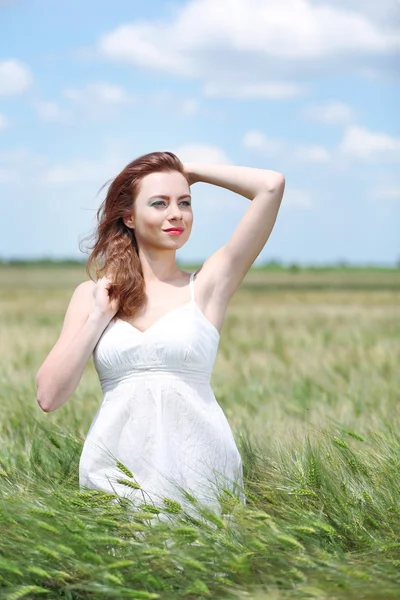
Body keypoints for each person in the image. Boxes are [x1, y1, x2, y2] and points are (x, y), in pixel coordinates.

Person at [36, 151, 285, 520]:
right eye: (160, 203)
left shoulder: (207, 287)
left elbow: (271, 185)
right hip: (114, 478)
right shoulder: (91, 296)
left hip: (201, 475)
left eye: (184, 202)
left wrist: (191, 171)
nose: (176, 214)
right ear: (129, 217)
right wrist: (98, 318)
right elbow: (48, 396)